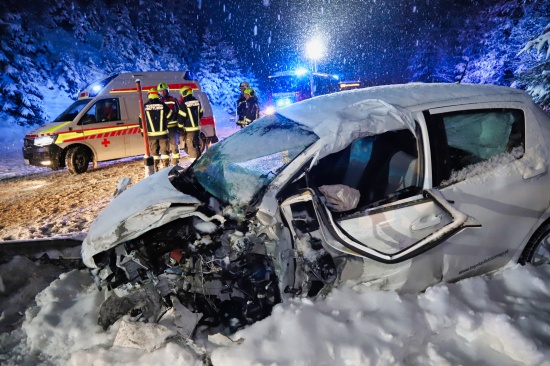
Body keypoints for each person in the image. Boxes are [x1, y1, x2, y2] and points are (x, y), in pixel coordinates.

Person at [139, 87, 172, 172]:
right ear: (157, 95)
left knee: (154, 153)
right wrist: (165, 121)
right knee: (165, 153)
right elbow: (170, 116)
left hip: (151, 135)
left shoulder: (145, 107)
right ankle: (166, 169)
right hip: (163, 134)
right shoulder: (163, 105)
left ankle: (155, 169)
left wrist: (143, 133)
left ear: (149, 95)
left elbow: (141, 120)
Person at [177, 86, 203, 162]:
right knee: (197, 145)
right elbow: (201, 114)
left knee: (191, 146)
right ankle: (199, 161)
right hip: (197, 129)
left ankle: (194, 164)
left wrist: (179, 127)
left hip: (189, 130)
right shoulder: (197, 101)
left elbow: (181, 118)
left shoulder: (184, 103)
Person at [158, 82, 181, 166]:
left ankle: (175, 164)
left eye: (164, 91)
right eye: (161, 91)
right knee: (164, 148)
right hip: (163, 128)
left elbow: (179, 112)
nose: (162, 92)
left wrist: (179, 126)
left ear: (167, 90)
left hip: (173, 127)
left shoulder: (173, 100)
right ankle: (165, 164)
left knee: (174, 146)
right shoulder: (159, 101)